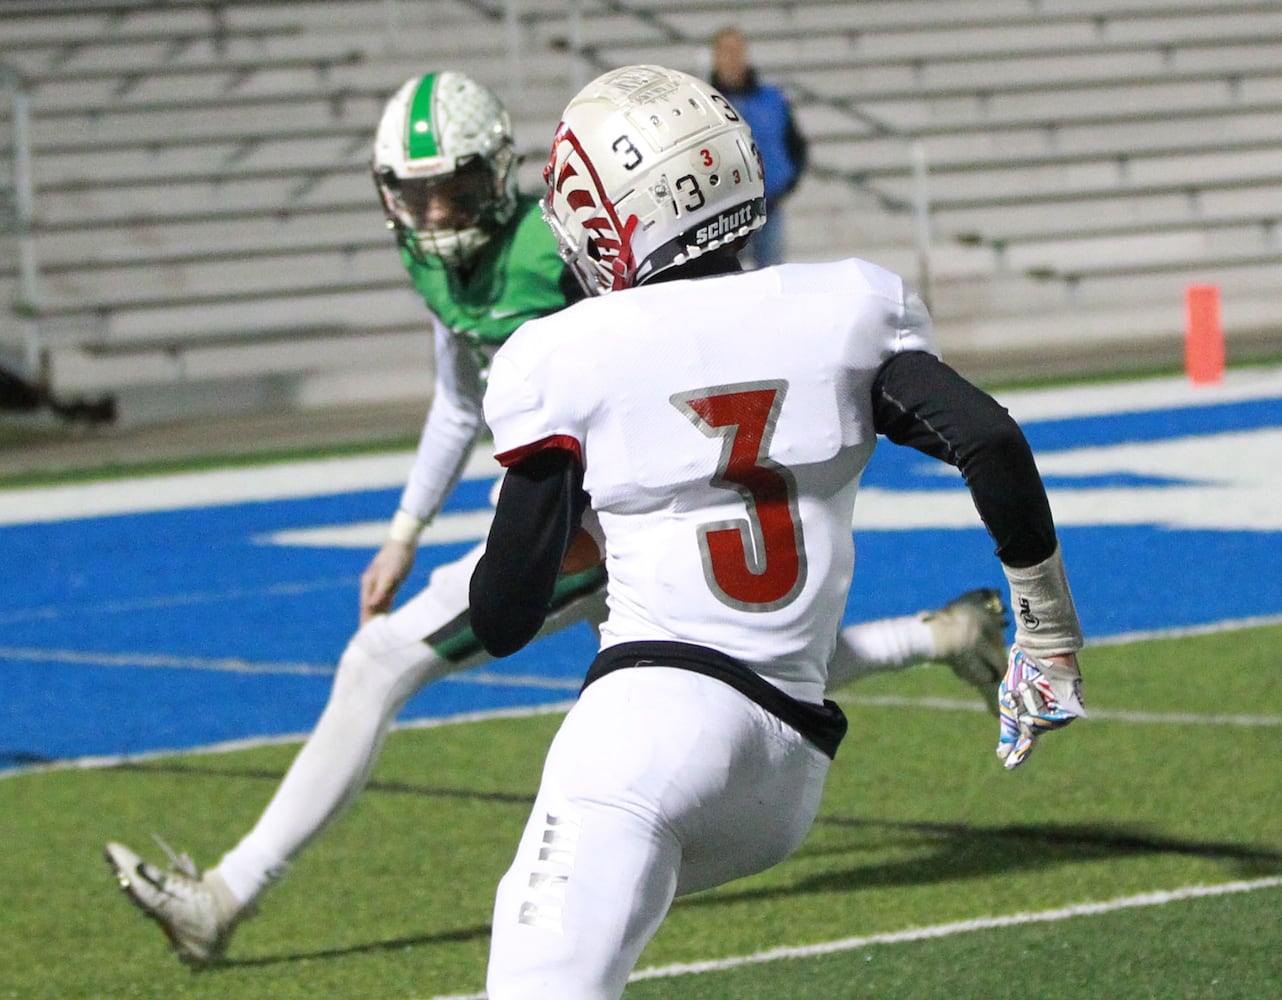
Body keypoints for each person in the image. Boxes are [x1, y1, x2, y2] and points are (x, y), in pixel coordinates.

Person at [102, 70, 1011, 971]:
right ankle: (936, 634)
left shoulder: (562, 246)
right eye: (414, 197)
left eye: (453, 190)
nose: (434, 217)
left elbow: (661, 346)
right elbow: (460, 395)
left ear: (500, 175)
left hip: (611, 507)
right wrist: (404, 529)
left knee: (385, 663)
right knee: (718, 665)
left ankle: (224, 897)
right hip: (588, 503)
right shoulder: (434, 257)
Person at [467, 64, 1086, 999]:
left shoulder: (566, 354)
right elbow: (989, 438)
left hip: (655, 730)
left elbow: (503, 615)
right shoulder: (841, 307)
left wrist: (576, 539)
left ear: (608, 216)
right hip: (789, 769)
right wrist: (1049, 633)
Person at [709, 26, 807, 267]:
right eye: (726, 52)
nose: (733, 59)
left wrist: (786, 183)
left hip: (769, 208)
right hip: (725, 215)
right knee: (726, 278)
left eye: (737, 51)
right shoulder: (704, 103)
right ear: (716, 57)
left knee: (773, 275)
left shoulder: (772, 98)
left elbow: (795, 144)